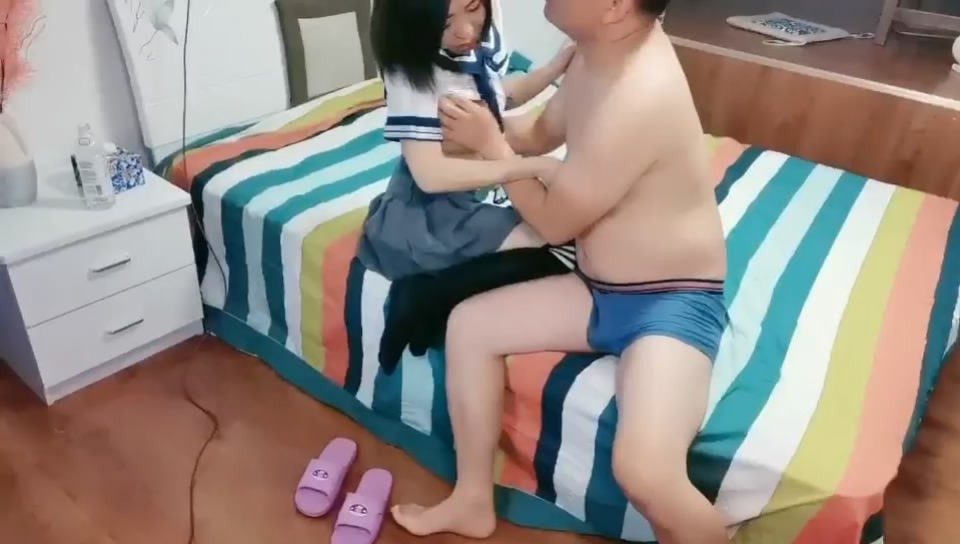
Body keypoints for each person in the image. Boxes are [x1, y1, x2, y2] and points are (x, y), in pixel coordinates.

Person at [390, 1, 731, 544]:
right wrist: (456, 134)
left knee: (645, 471)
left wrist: (491, 146)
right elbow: (539, 134)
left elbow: (551, 222)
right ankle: (472, 502)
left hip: (670, 300)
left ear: (616, 7)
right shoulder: (600, 53)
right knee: (469, 326)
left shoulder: (639, 94)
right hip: (599, 287)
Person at [356, 0, 575, 281]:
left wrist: (552, 70)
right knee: (549, 244)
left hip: (477, 191)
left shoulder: (475, 41)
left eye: (473, 8)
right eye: (445, 23)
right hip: (429, 215)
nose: (466, 32)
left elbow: (497, 96)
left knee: (562, 230)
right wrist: (534, 166)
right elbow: (431, 176)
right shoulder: (410, 75)